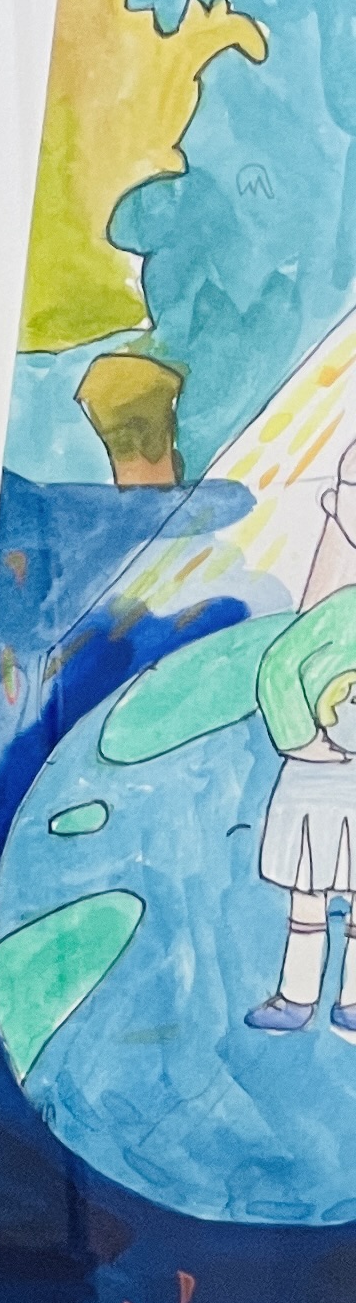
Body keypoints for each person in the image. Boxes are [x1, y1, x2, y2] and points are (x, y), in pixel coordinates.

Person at [248, 440, 356, 1030]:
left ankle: (353, 1000)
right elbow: (278, 672)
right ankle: (296, 996)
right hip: (318, 779)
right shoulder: (335, 612)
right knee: (308, 895)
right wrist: (306, 742)